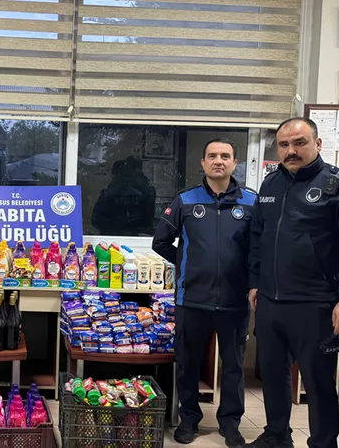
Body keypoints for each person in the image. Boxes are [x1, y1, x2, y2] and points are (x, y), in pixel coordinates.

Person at [247, 117, 339, 448]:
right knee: (272, 377)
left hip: (316, 304)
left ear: (317, 144)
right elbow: (257, 237)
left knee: (317, 383)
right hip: (271, 302)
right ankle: (276, 436)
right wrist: (255, 283)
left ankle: (323, 443)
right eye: (284, 145)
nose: (291, 150)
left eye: (299, 142)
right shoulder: (271, 185)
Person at [152, 138, 256, 448]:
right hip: (192, 299)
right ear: (203, 162)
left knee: (233, 366)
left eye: (225, 156)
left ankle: (230, 424)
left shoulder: (252, 202)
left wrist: (253, 280)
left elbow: (260, 248)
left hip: (235, 301)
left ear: (234, 163)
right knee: (188, 363)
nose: (218, 161)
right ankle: (189, 420)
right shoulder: (185, 200)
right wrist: (188, 263)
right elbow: (161, 242)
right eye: (212, 155)